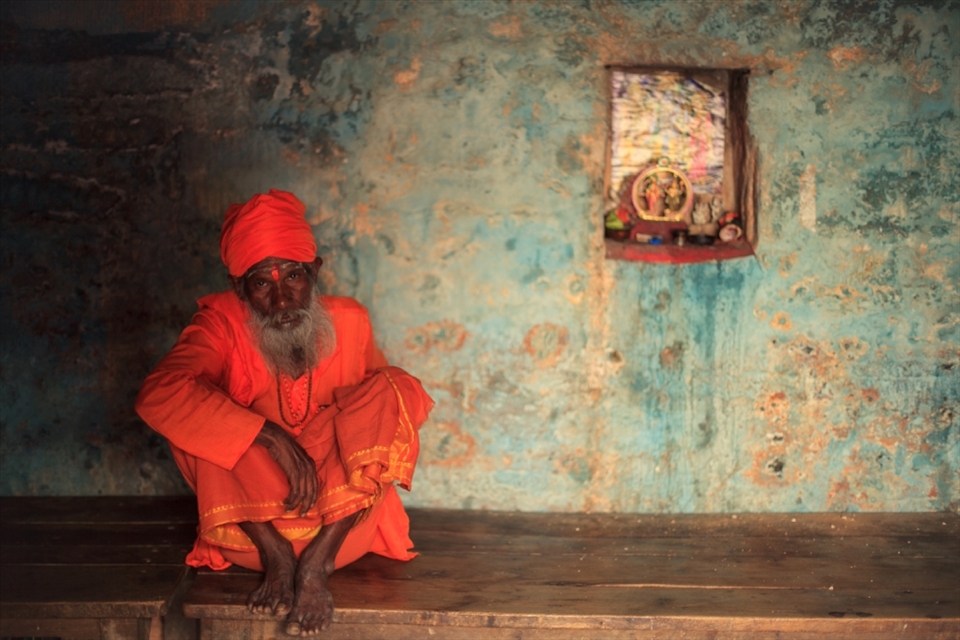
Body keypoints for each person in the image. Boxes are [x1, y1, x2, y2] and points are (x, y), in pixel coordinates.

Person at [135, 190, 433, 636]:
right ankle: (277, 555)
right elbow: (158, 393)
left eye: (293, 276)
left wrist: (325, 536)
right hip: (249, 535)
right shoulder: (220, 324)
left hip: (345, 529)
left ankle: (317, 563)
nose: (281, 299)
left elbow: (384, 421)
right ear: (239, 288)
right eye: (262, 282)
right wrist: (266, 434)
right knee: (192, 412)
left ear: (315, 272)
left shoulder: (350, 320)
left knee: (395, 390)